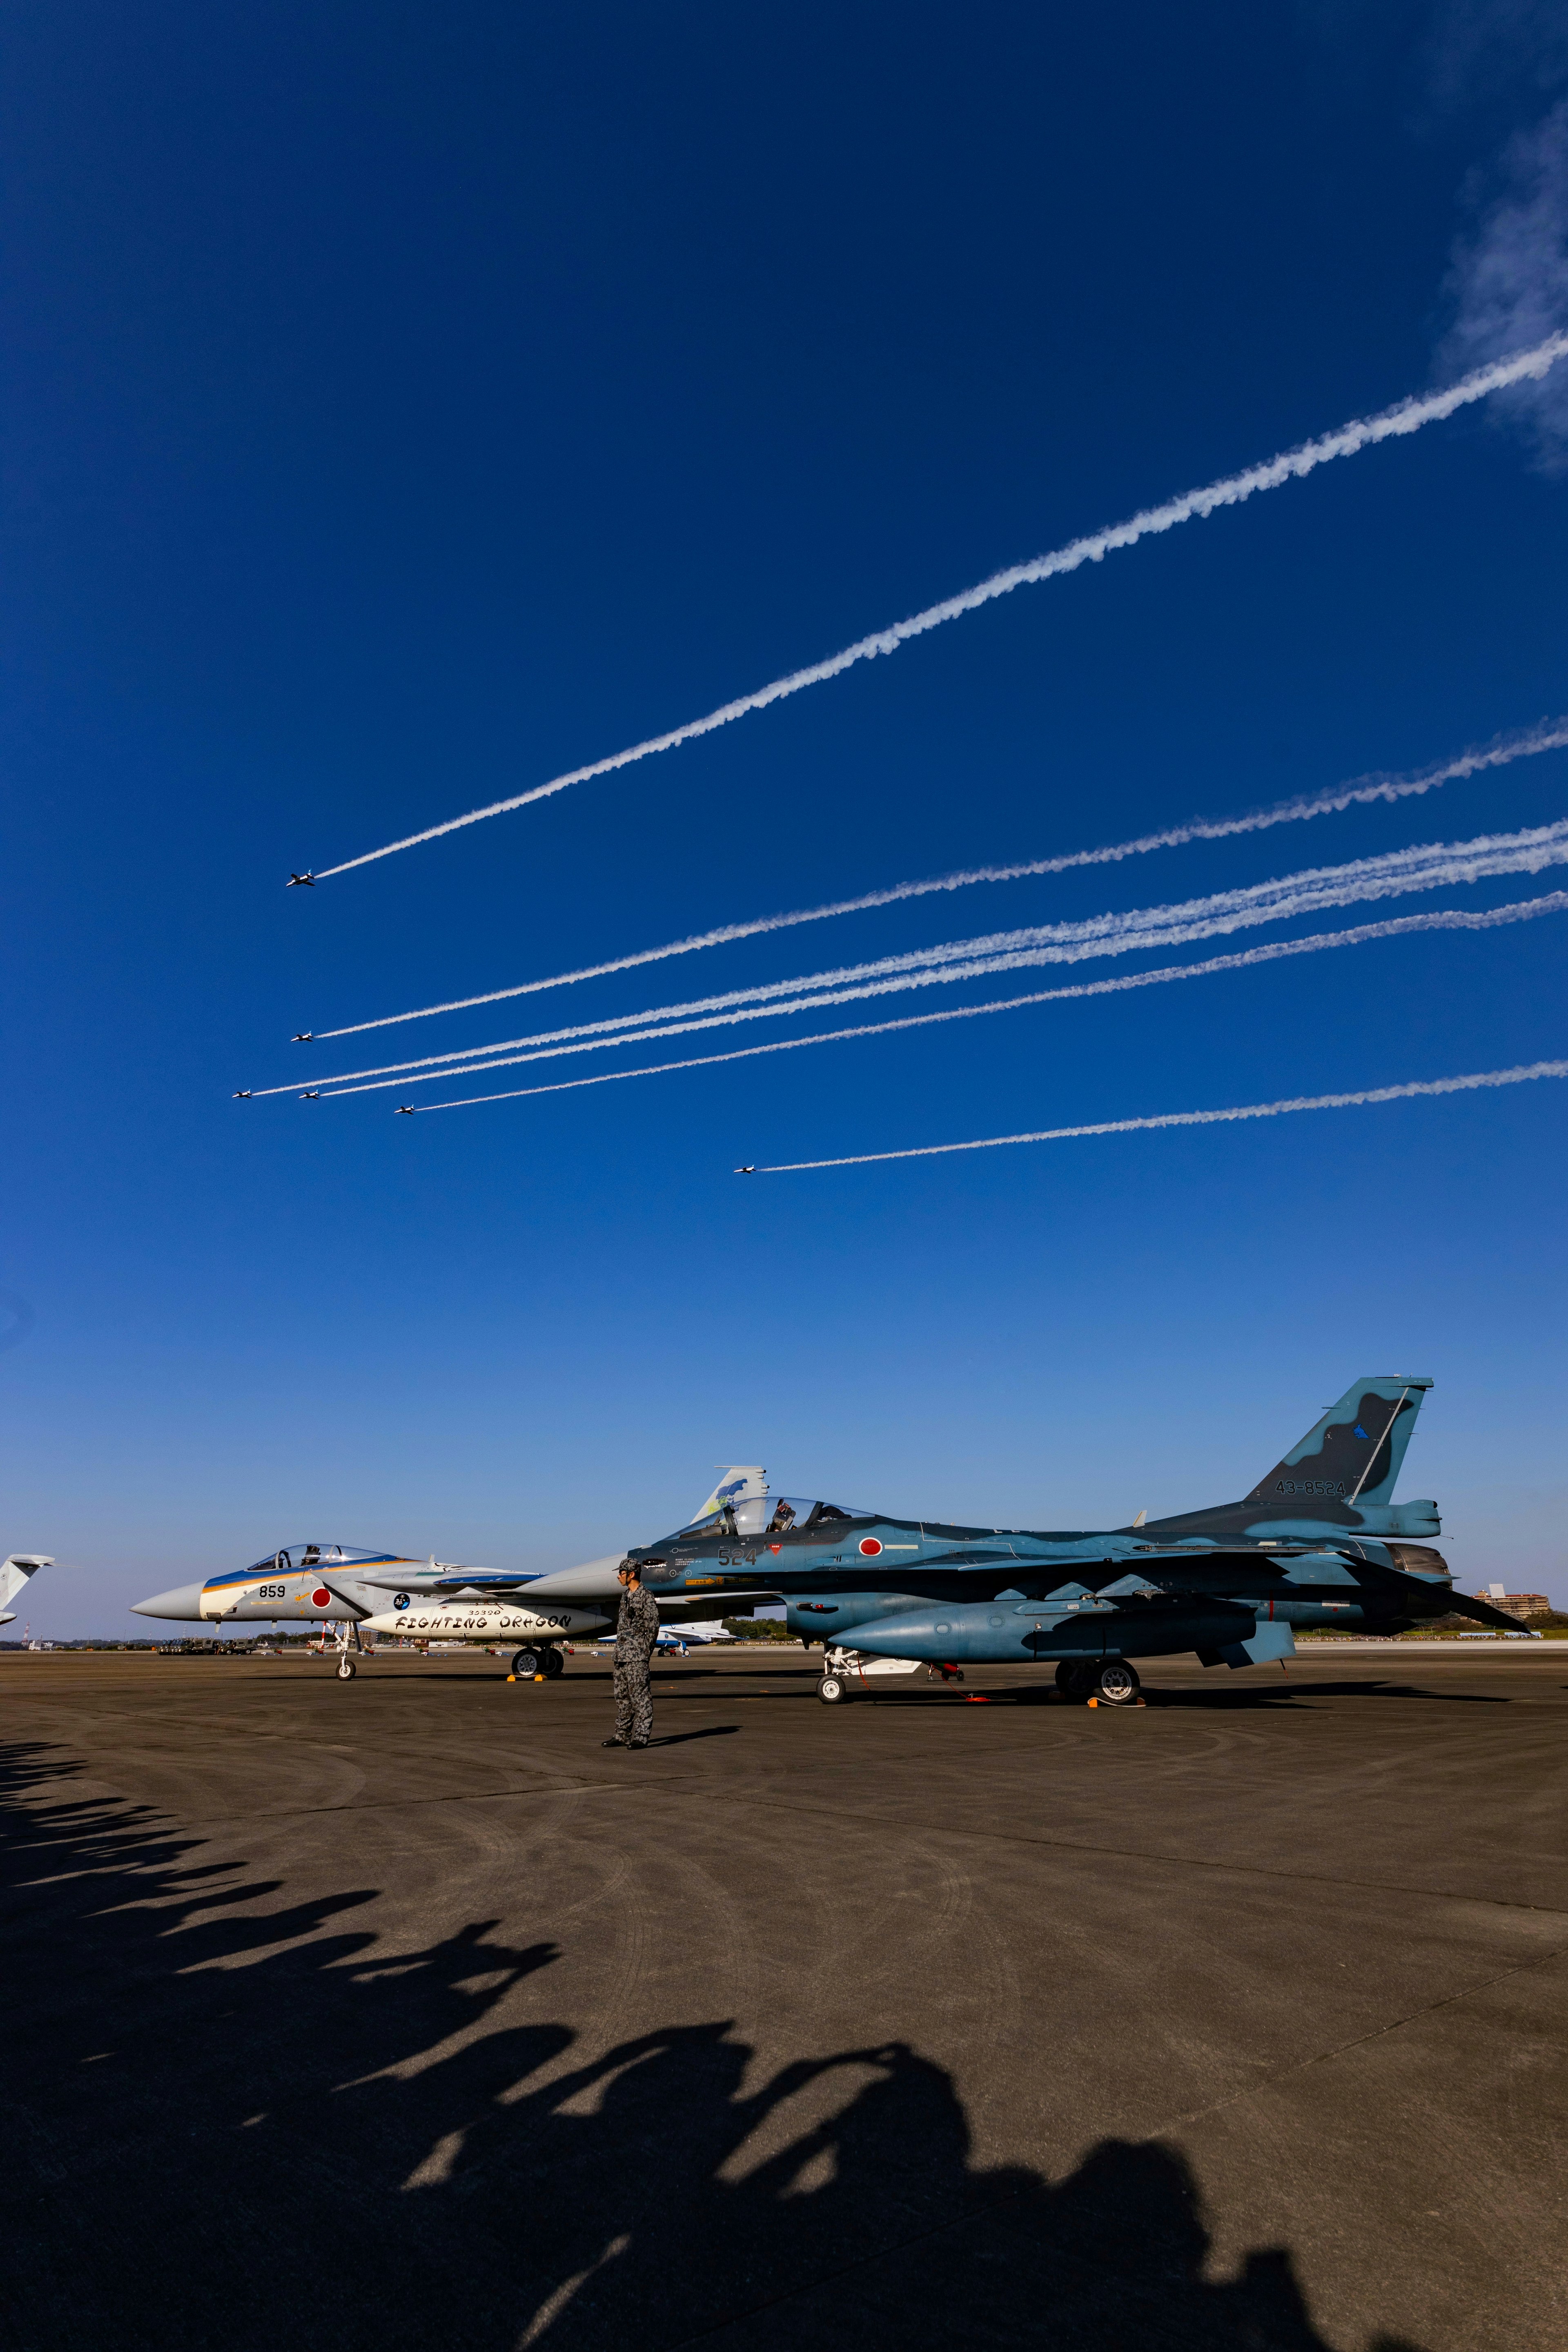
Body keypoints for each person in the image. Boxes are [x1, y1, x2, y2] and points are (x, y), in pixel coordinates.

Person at [602, 1559, 658, 1749]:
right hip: (621, 1656)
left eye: (621, 1573)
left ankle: (642, 1736)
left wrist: (644, 1652)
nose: (619, 1576)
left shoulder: (646, 1597)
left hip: (637, 1657)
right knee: (622, 1697)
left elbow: (653, 1627)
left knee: (640, 1697)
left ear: (631, 1574)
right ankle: (622, 1734)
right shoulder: (625, 1596)